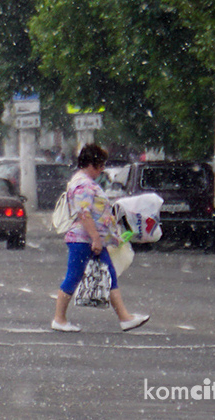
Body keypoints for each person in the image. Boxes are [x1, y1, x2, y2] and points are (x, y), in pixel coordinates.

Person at [51, 142, 149, 333]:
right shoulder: (84, 184)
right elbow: (84, 213)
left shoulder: (84, 182)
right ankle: (59, 319)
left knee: (109, 275)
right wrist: (96, 238)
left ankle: (125, 318)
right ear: (91, 163)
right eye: (100, 165)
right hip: (83, 239)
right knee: (74, 276)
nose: (102, 169)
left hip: (92, 239)